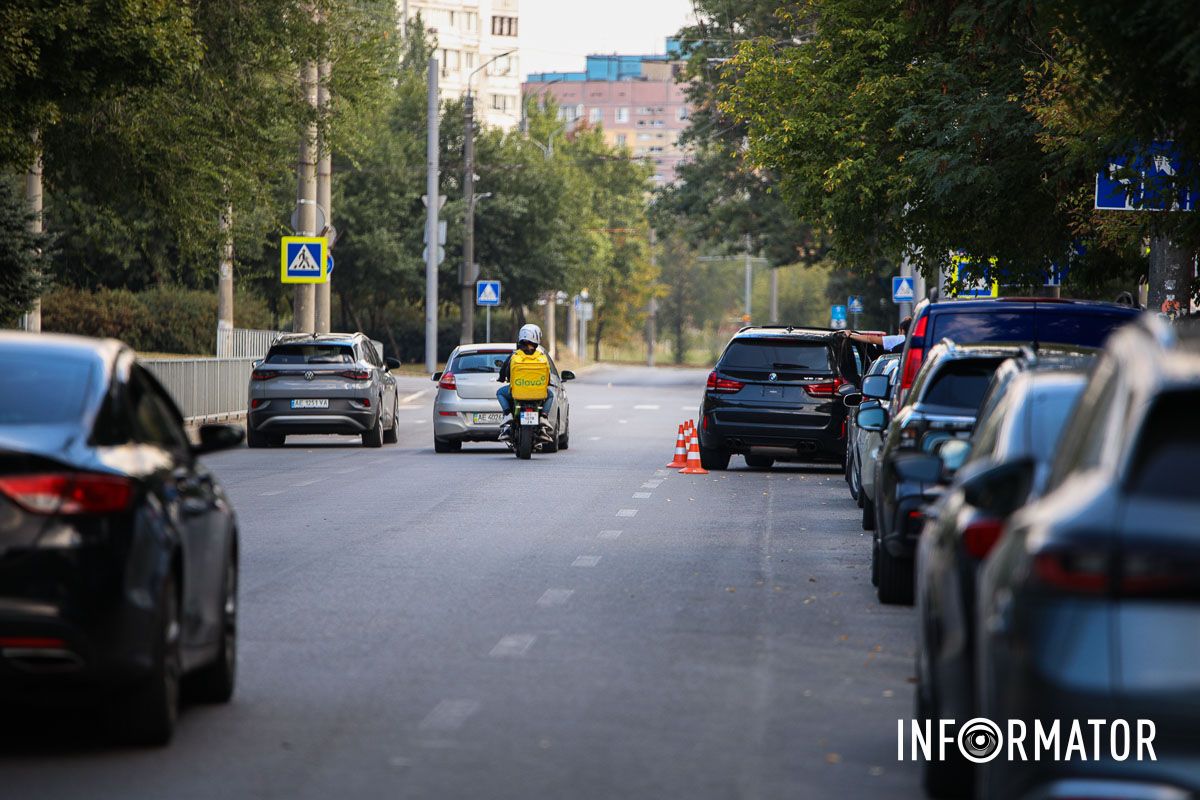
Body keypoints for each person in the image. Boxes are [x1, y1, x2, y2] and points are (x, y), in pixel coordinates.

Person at [496, 324, 555, 436]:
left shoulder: (514, 356)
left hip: (517, 394)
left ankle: (508, 414)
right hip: (538, 394)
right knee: (551, 395)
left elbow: (504, 372)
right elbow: (547, 376)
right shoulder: (541, 356)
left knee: (500, 393)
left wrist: (501, 378)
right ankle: (543, 417)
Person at [841, 316, 911, 353]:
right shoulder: (913, 340)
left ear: (903, 331)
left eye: (899, 331)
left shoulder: (900, 338)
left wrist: (850, 335)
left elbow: (871, 339)